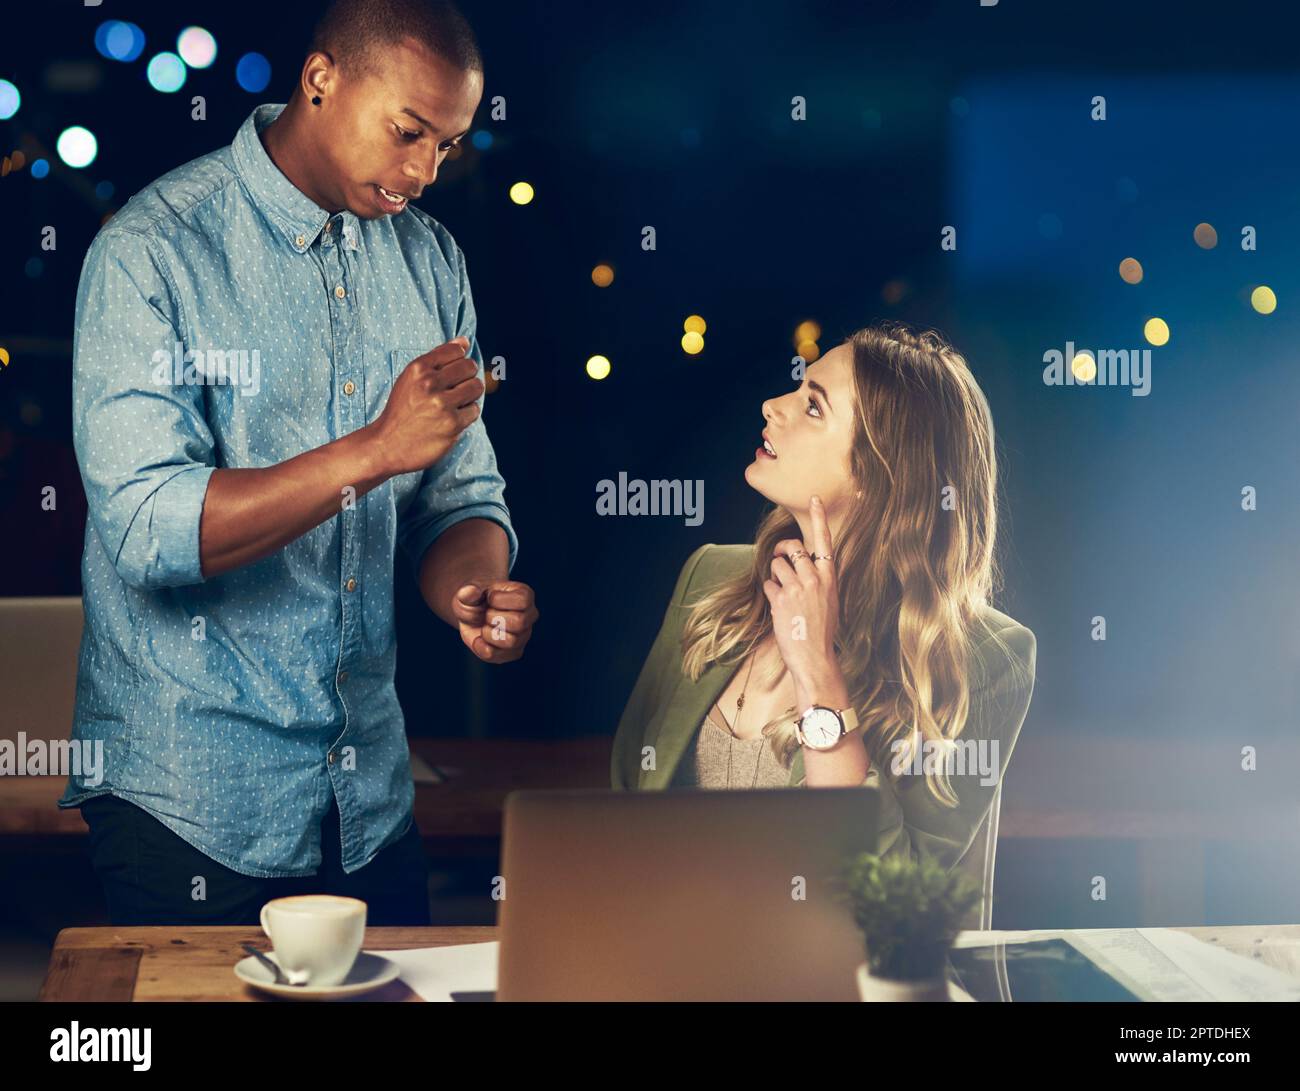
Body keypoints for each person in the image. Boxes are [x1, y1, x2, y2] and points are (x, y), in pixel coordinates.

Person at [60, 0, 538, 926]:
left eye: (448, 144)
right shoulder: (151, 253)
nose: (425, 171)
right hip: (189, 801)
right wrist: (372, 450)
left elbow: (458, 492)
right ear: (320, 80)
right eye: (408, 133)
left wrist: (472, 588)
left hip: (368, 802)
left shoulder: (432, 262)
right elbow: (148, 529)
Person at [611, 322, 1035, 871]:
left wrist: (817, 672)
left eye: (813, 407)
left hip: (836, 959)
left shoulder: (983, 657)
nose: (771, 405)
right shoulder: (707, 576)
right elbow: (621, 812)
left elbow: (894, 900)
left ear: (876, 472)